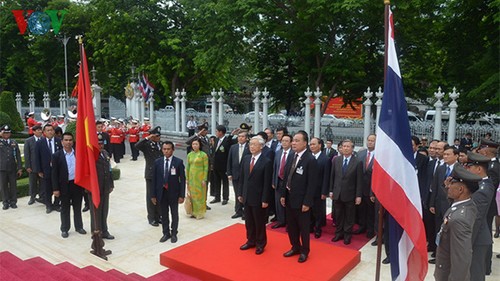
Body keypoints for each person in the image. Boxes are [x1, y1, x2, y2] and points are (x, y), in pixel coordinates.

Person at [434, 165, 481, 281]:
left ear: (460, 190)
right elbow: (452, 201)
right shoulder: (466, 204)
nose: (448, 186)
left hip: (447, 273)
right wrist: (446, 187)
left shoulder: (459, 219)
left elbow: (461, 258)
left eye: (451, 184)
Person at [280, 130, 317, 263]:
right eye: (293, 140)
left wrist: (307, 202)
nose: (293, 143)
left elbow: (312, 184)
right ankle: (295, 246)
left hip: (302, 201)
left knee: (303, 228)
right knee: (291, 226)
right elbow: (286, 177)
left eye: (297, 141)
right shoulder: (291, 156)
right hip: (289, 198)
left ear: (305, 143)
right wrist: (283, 194)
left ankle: (304, 250)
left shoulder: (310, 159)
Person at [238, 136, 272, 255]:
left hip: (259, 197)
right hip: (247, 196)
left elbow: (267, 183)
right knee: (249, 221)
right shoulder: (246, 159)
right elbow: (242, 178)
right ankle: (250, 240)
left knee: (259, 222)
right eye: (250, 144)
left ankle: (260, 243)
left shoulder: (266, 161)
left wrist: (265, 199)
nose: (251, 147)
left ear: (261, 146)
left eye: (254, 144)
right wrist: (240, 193)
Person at [465, 152, 496, 280]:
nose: (467, 169)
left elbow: (476, 218)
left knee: (475, 274)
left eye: (470, 167)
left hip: (477, 238)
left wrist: (468, 241)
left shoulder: (484, 189)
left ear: (478, 169)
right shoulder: (478, 184)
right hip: (477, 236)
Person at [51, 132, 86, 238]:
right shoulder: (56, 155)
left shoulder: (78, 154)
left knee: (77, 207)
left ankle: (79, 226)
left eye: (70, 140)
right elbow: (54, 174)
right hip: (64, 186)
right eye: (66, 140)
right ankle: (65, 228)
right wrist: (55, 189)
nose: (68, 142)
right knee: (65, 208)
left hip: (76, 184)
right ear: (62, 142)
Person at [330, 139, 363, 245]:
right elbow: (332, 177)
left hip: (350, 194)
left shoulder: (358, 162)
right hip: (337, 193)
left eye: (348, 146)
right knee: (338, 215)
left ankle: (347, 235)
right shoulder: (336, 160)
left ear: (352, 149)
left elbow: (359, 180)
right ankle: (338, 233)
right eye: (344, 146)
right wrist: (331, 191)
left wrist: (358, 195)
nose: (345, 148)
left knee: (349, 216)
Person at [151, 141, 186, 243]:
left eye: (168, 149)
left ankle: (174, 232)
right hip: (161, 193)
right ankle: (166, 233)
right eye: (164, 149)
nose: (166, 151)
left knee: (174, 214)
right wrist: (153, 195)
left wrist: (181, 195)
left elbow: (182, 180)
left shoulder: (178, 162)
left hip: (174, 193)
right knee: (164, 214)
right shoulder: (157, 162)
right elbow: (154, 179)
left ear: (173, 150)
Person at [429, 145, 457, 264]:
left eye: (448, 154)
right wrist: (432, 204)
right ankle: (438, 253)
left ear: (456, 156)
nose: (445, 156)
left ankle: (449, 256)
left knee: (449, 233)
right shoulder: (440, 168)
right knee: (438, 230)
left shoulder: (460, 170)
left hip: (452, 207)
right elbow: (434, 187)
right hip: (439, 205)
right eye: (444, 154)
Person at [135, 126, 163, 226]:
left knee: (160, 196)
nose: (159, 137)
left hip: (160, 174)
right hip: (151, 174)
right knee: (151, 196)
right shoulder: (147, 145)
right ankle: (151, 218)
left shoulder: (160, 144)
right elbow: (137, 146)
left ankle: (159, 215)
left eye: (159, 136)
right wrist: (147, 138)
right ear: (152, 136)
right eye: (156, 136)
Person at [90, 134, 115, 240]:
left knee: (104, 210)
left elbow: (109, 170)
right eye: (98, 144)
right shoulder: (91, 155)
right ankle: (96, 232)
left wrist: (111, 184)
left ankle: (104, 230)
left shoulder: (105, 153)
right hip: (95, 188)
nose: (101, 146)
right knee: (95, 211)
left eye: (102, 144)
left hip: (105, 187)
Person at [34, 124, 62, 214]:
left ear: (54, 131)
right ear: (44, 132)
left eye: (51, 130)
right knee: (47, 188)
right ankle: (49, 205)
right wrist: (39, 170)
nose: (50, 132)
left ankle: (57, 204)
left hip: (58, 169)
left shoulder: (59, 141)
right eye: (48, 130)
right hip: (46, 170)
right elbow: (37, 157)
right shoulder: (39, 143)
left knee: (58, 187)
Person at [309, 137, 331, 238]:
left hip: (319, 190)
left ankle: (318, 229)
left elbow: (326, 177)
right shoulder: (308, 157)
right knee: (308, 209)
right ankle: (310, 226)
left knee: (318, 211)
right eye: (311, 144)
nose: (312, 146)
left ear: (320, 145)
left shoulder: (325, 159)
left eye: (314, 144)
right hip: (308, 190)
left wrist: (324, 192)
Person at [355, 134, 376, 238]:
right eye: (369, 140)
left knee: (371, 211)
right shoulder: (361, 154)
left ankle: (370, 229)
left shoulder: (380, 156)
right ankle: (362, 226)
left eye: (372, 140)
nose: (370, 142)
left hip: (372, 190)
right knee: (361, 210)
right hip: (361, 188)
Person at [271, 134, 293, 229]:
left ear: (291, 143)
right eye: (282, 141)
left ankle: (289, 222)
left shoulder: (293, 154)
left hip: (288, 182)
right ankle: (281, 220)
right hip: (278, 180)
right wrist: (273, 181)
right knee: (278, 202)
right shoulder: (278, 153)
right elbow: (275, 168)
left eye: (286, 141)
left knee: (288, 202)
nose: (284, 142)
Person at [227, 131, 250, 219]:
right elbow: (229, 161)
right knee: (237, 193)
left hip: (246, 175)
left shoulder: (249, 147)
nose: (240, 138)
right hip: (235, 174)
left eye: (242, 136)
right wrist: (229, 173)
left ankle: (245, 212)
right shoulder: (233, 147)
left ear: (246, 138)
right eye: (239, 136)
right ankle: (238, 210)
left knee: (244, 193)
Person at [0, 125, 22, 210]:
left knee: (13, 186)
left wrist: (19, 168)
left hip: (12, 168)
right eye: (4, 132)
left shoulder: (13, 142)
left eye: (8, 132)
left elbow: (18, 156)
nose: (6, 134)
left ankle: (13, 202)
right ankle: (5, 202)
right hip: (2, 168)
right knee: (3, 186)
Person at [211, 125, 234, 205]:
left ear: (221, 132)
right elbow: (214, 152)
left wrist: (231, 134)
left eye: (217, 131)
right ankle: (217, 197)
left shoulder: (227, 141)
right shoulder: (216, 140)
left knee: (225, 182)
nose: (216, 133)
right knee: (216, 181)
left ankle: (225, 198)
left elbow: (228, 150)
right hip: (216, 165)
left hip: (223, 166)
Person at [186, 139, 209, 219]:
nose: (194, 146)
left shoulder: (203, 155)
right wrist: (187, 178)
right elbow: (187, 167)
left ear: (199, 145)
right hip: (192, 178)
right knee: (192, 195)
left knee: (200, 195)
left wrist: (204, 179)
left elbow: (206, 167)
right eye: (193, 144)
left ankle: (199, 212)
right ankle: (192, 211)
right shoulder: (189, 155)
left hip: (200, 177)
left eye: (196, 144)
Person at [24, 124, 43, 205]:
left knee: (42, 183)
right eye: (38, 130)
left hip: (42, 167)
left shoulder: (44, 139)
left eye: (40, 130)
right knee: (33, 183)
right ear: (34, 131)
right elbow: (27, 154)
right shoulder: (28, 141)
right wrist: (28, 166)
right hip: (33, 166)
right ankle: (32, 197)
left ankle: (42, 197)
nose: (40, 131)